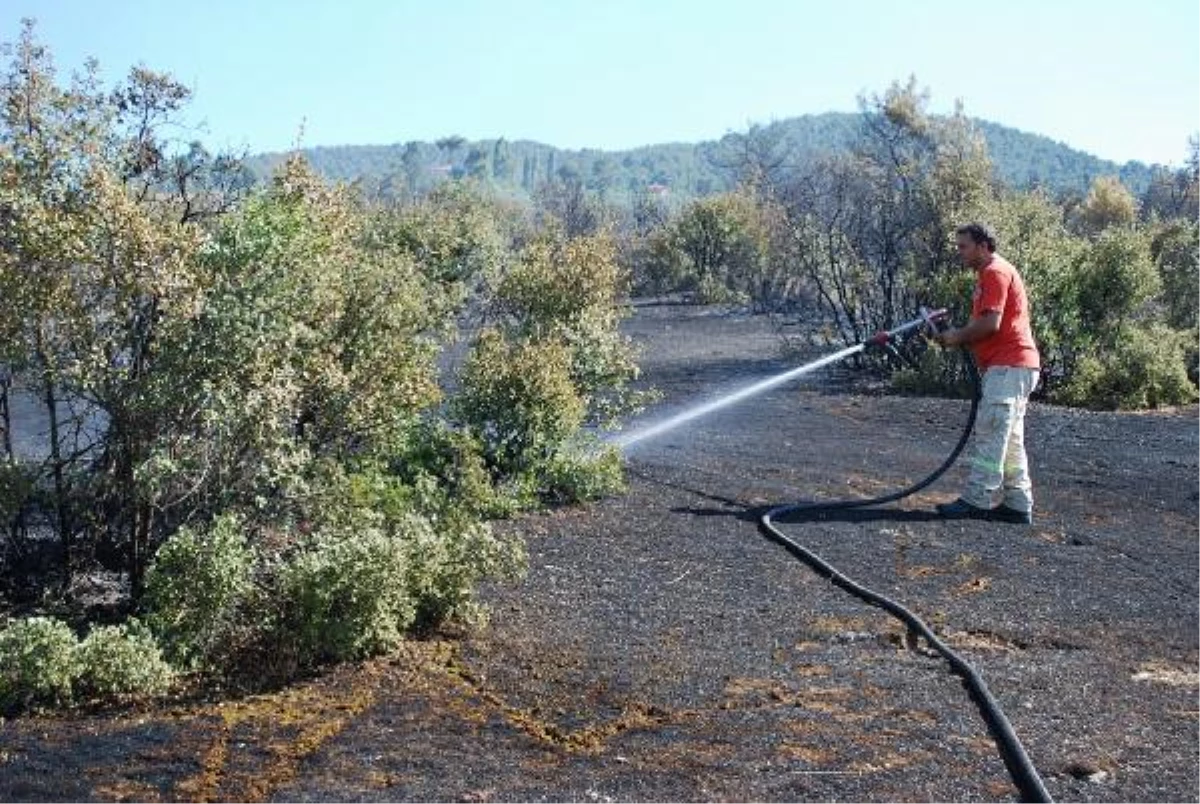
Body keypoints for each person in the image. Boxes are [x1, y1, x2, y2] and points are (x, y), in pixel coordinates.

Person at [933, 223, 1040, 525]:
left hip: (1009, 367)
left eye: (964, 246)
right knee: (1010, 439)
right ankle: (1018, 504)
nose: (959, 252)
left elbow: (990, 324)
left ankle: (977, 498)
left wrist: (956, 337)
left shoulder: (995, 272)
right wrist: (954, 335)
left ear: (983, 246)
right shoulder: (990, 274)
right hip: (1013, 367)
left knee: (992, 431)